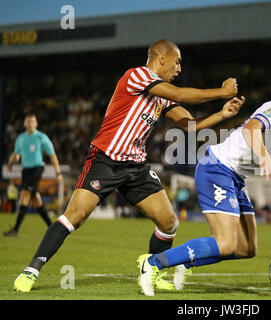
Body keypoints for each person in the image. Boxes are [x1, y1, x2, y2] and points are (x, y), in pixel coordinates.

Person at [13, 39, 243, 293]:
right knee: (75, 217)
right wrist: (221, 92)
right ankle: (30, 271)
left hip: (136, 167)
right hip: (106, 160)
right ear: (162, 57)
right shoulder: (136, 76)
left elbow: (189, 126)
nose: (179, 69)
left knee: (169, 222)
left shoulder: (162, 97)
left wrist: (222, 115)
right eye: (177, 62)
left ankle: (152, 271)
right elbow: (179, 94)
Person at [138, 72, 271, 296]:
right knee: (225, 243)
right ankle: (154, 263)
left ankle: (187, 262)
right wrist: (263, 158)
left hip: (235, 178)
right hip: (218, 168)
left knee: (246, 248)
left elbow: (270, 151)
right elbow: (251, 128)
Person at [3, 114, 63, 237]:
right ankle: (53, 229)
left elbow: (52, 155)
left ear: (36, 124)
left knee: (25, 194)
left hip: (37, 169)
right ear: (24, 124)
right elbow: (17, 155)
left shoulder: (41, 137)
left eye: (32, 121)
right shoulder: (21, 138)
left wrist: (58, 172)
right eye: (28, 121)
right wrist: (11, 161)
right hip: (26, 170)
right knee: (36, 200)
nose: (30, 123)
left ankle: (15, 230)